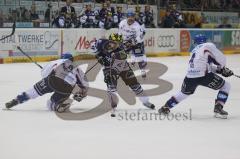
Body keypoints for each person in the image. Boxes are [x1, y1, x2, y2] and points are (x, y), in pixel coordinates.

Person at [158, 34, 234, 119]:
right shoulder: (208, 45)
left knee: (184, 93)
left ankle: (165, 107)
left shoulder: (193, 51)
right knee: (226, 86)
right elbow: (221, 57)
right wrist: (222, 68)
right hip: (204, 76)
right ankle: (218, 108)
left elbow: (204, 65)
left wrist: (220, 70)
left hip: (190, 77)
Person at [91, 33, 155, 117]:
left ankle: (145, 101)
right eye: (114, 42)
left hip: (123, 67)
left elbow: (123, 55)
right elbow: (93, 47)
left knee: (134, 84)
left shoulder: (123, 48)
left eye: (118, 42)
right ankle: (113, 105)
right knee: (111, 87)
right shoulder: (101, 43)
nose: (116, 44)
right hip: (109, 68)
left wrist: (107, 56)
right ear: (109, 41)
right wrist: (99, 56)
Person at [5, 53, 89, 113]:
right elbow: (85, 86)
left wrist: (47, 82)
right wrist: (80, 95)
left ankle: (17, 100)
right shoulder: (77, 68)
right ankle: (57, 105)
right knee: (50, 103)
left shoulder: (56, 61)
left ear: (62, 57)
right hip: (67, 87)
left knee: (33, 92)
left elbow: (44, 74)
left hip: (53, 80)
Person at [118, 9, 147, 79]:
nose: (130, 18)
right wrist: (120, 42)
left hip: (137, 43)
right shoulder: (122, 23)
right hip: (126, 41)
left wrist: (131, 43)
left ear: (134, 17)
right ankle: (122, 70)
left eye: (132, 17)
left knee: (139, 56)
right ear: (126, 17)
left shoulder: (137, 26)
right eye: (129, 17)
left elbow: (139, 38)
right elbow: (119, 34)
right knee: (120, 55)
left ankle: (142, 69)